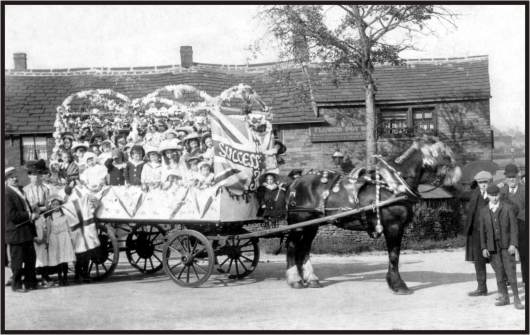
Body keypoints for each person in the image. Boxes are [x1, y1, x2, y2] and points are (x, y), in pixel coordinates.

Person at [479, 184, 524, 309]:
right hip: (492, 247)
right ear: (487, 196)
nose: (494, 198)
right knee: (499, 272)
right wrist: (484, 247)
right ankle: (504, 297)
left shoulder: (508, 208)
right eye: (492, 195)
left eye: (496, 195)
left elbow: (514, 229)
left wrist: (513, 244)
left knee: (510, 271)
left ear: (499, 194)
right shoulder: (483, 211)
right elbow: (482, 231)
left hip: (507, 246)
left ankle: (516, 298)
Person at [5, 167, 39, 292]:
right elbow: (11, 215)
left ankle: (30, 282)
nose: (14, 179)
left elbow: (26, 207)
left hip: (26, 231)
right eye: (11, 177)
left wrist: (33, 212)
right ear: (6, 180)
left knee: (31, 259)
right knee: (17, 261)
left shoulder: (20, 190)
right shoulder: (6, 193)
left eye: (15, 176)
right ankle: (17, 285)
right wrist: (29, 215)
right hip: (15, 232)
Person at [463, 170, 494, 296]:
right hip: (476, 233)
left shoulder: (496, 194)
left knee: (496, 261)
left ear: (489, 182)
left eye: (485, 182)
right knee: (479, 261)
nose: (483, 185)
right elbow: (458, 194)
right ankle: (482, 288)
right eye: (480, 182)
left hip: (491, 233)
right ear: (477, 183)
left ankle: (503, 288)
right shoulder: (474, 193)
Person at [23, 160, 51, 287]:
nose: (36, 177)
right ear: (29, 176)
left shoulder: (45, 189)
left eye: (38, 175)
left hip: (43, 219)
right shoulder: (25, 190)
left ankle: (45, 275)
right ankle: (32, 275)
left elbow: (48, 205)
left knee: (44, 247)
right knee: (33, 248)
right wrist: (32, 210)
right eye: (33, 175)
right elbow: (24, 206)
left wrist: (42, 209)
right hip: (31, 220)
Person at [499, 163, 527, 286]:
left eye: (513, 177)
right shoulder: (501, 191)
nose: (511, 179)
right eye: (509, 177)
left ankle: (526, 279)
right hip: (507, 227)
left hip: (522, 225)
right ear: (505, 178)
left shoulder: (525, 189)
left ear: (517, 177)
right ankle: (508, 280)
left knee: (525, 254)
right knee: (506, 254)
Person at [46, 195, 76, 286]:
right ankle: (60, 278)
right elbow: (48, 230)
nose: (55, 206)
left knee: (64, 258)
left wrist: (71, 238)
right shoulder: (49, 218)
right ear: (51, 206)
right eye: (54, 205)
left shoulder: (65, 216)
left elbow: (69, 228)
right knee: (58, 258)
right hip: (54, 238)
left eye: (57, 204)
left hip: (64, 237)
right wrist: (47, 241)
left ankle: (65, 277)